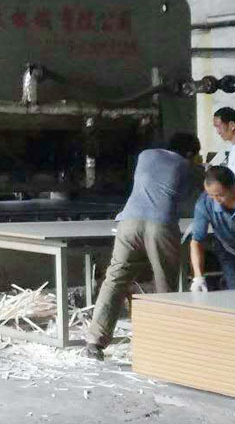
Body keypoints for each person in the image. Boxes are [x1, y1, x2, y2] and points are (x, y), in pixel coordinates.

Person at [85, 132, 201, 359]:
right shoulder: (187, 167)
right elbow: (193, 195)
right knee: (164, 284)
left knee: (115, 279)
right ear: (190, 153)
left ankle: (94, 341)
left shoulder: (145, 155)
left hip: (128, 222)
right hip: (161, 225)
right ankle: (163, 342)